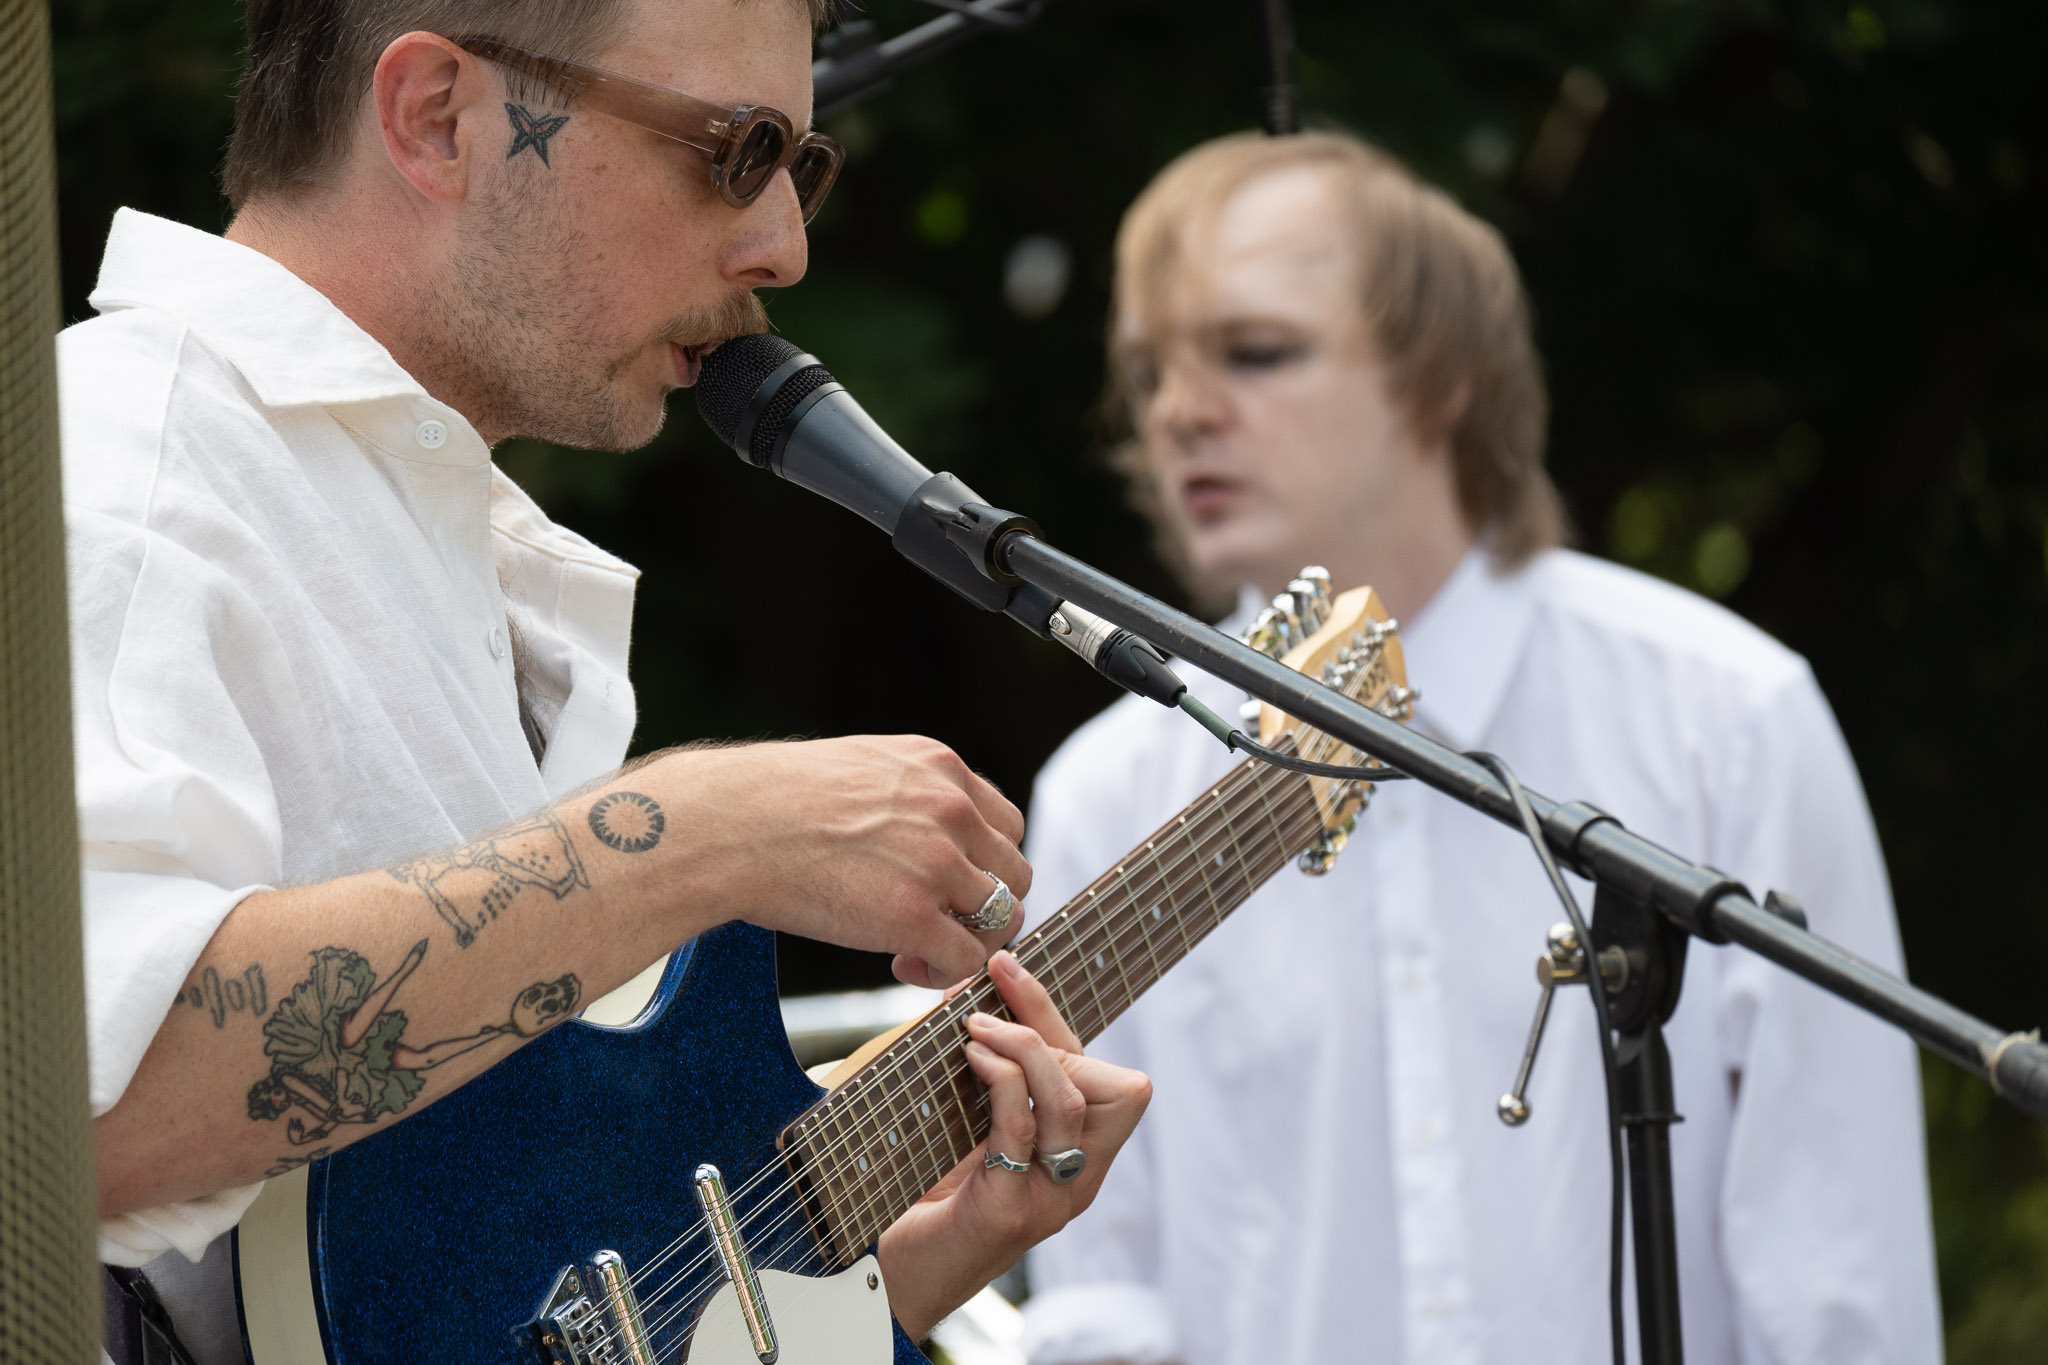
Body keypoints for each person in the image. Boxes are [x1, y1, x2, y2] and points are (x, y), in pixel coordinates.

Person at [62, 1, 1150, 1361]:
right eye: (737, 149)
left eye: (799, 169)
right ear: (437, 118)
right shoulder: (125, 474)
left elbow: (503, 1312)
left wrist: (903, 1274)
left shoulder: (439, 540)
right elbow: (81, 1108)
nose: (785, 246)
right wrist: (706, 838)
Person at [1019, 131, 1939, 1364]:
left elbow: (1838, 1281)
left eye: (1253, 352)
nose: (1178, 411)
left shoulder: (1728, 719)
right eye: (1148, 373)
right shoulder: (1108, 791)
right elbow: (1099, 1298)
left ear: (1437, 377)